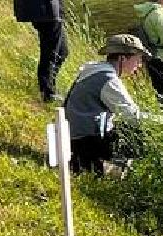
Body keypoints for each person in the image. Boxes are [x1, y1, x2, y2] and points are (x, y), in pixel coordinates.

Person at [62, 34, 148, 175]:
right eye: (138, 60)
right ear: (122, 58)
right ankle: (114, 169)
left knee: (127, 130)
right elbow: (133, 116)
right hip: (83, 141)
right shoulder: (108, 80)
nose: (139, 65)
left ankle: (111, 167)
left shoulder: (95, 69)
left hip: (72, 136)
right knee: (141, 136)